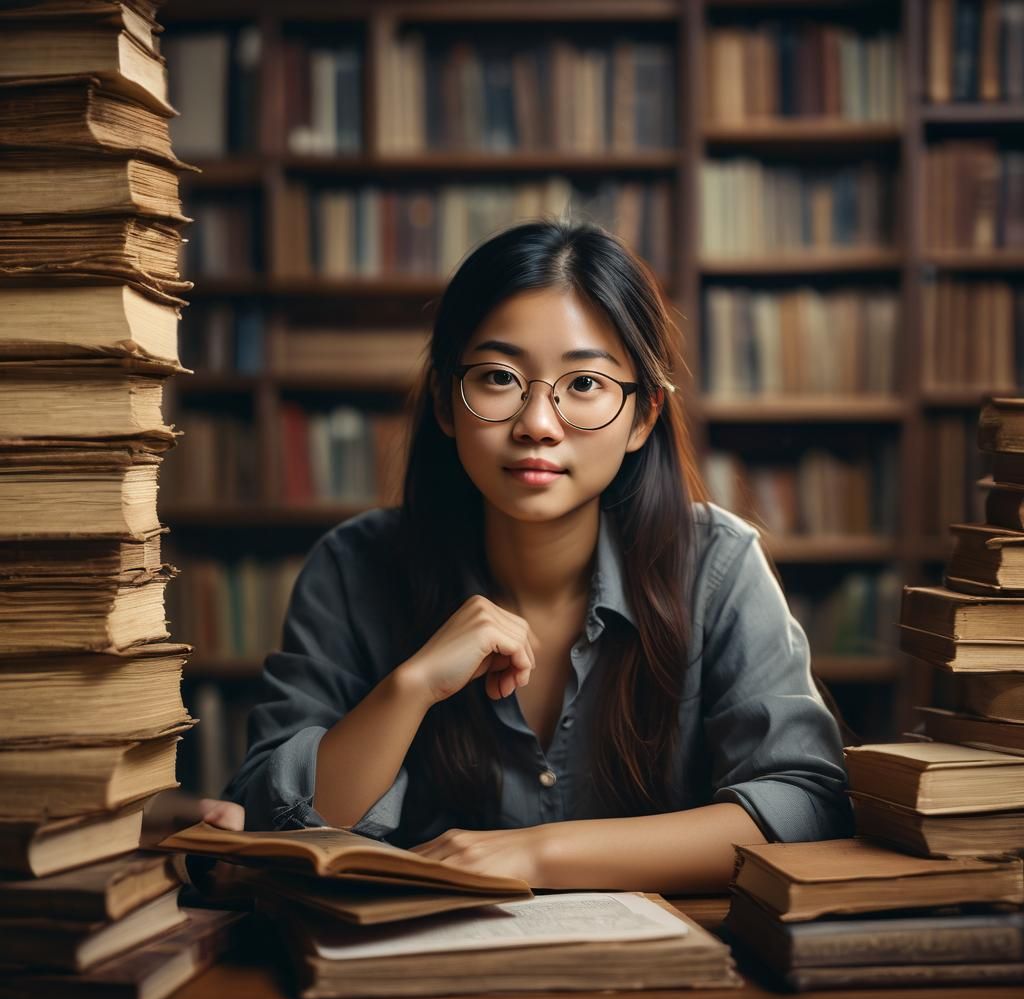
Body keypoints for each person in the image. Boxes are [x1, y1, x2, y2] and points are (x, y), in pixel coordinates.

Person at [212, 219, 854, 894]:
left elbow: (805, 806)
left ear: (644, 417)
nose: (537, 425)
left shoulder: (717, 567)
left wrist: (537, 854)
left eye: (584, 385)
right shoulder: (353, 569)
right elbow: (269, 830)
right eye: (498, 377)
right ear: (444, 401)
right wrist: (411, 688)